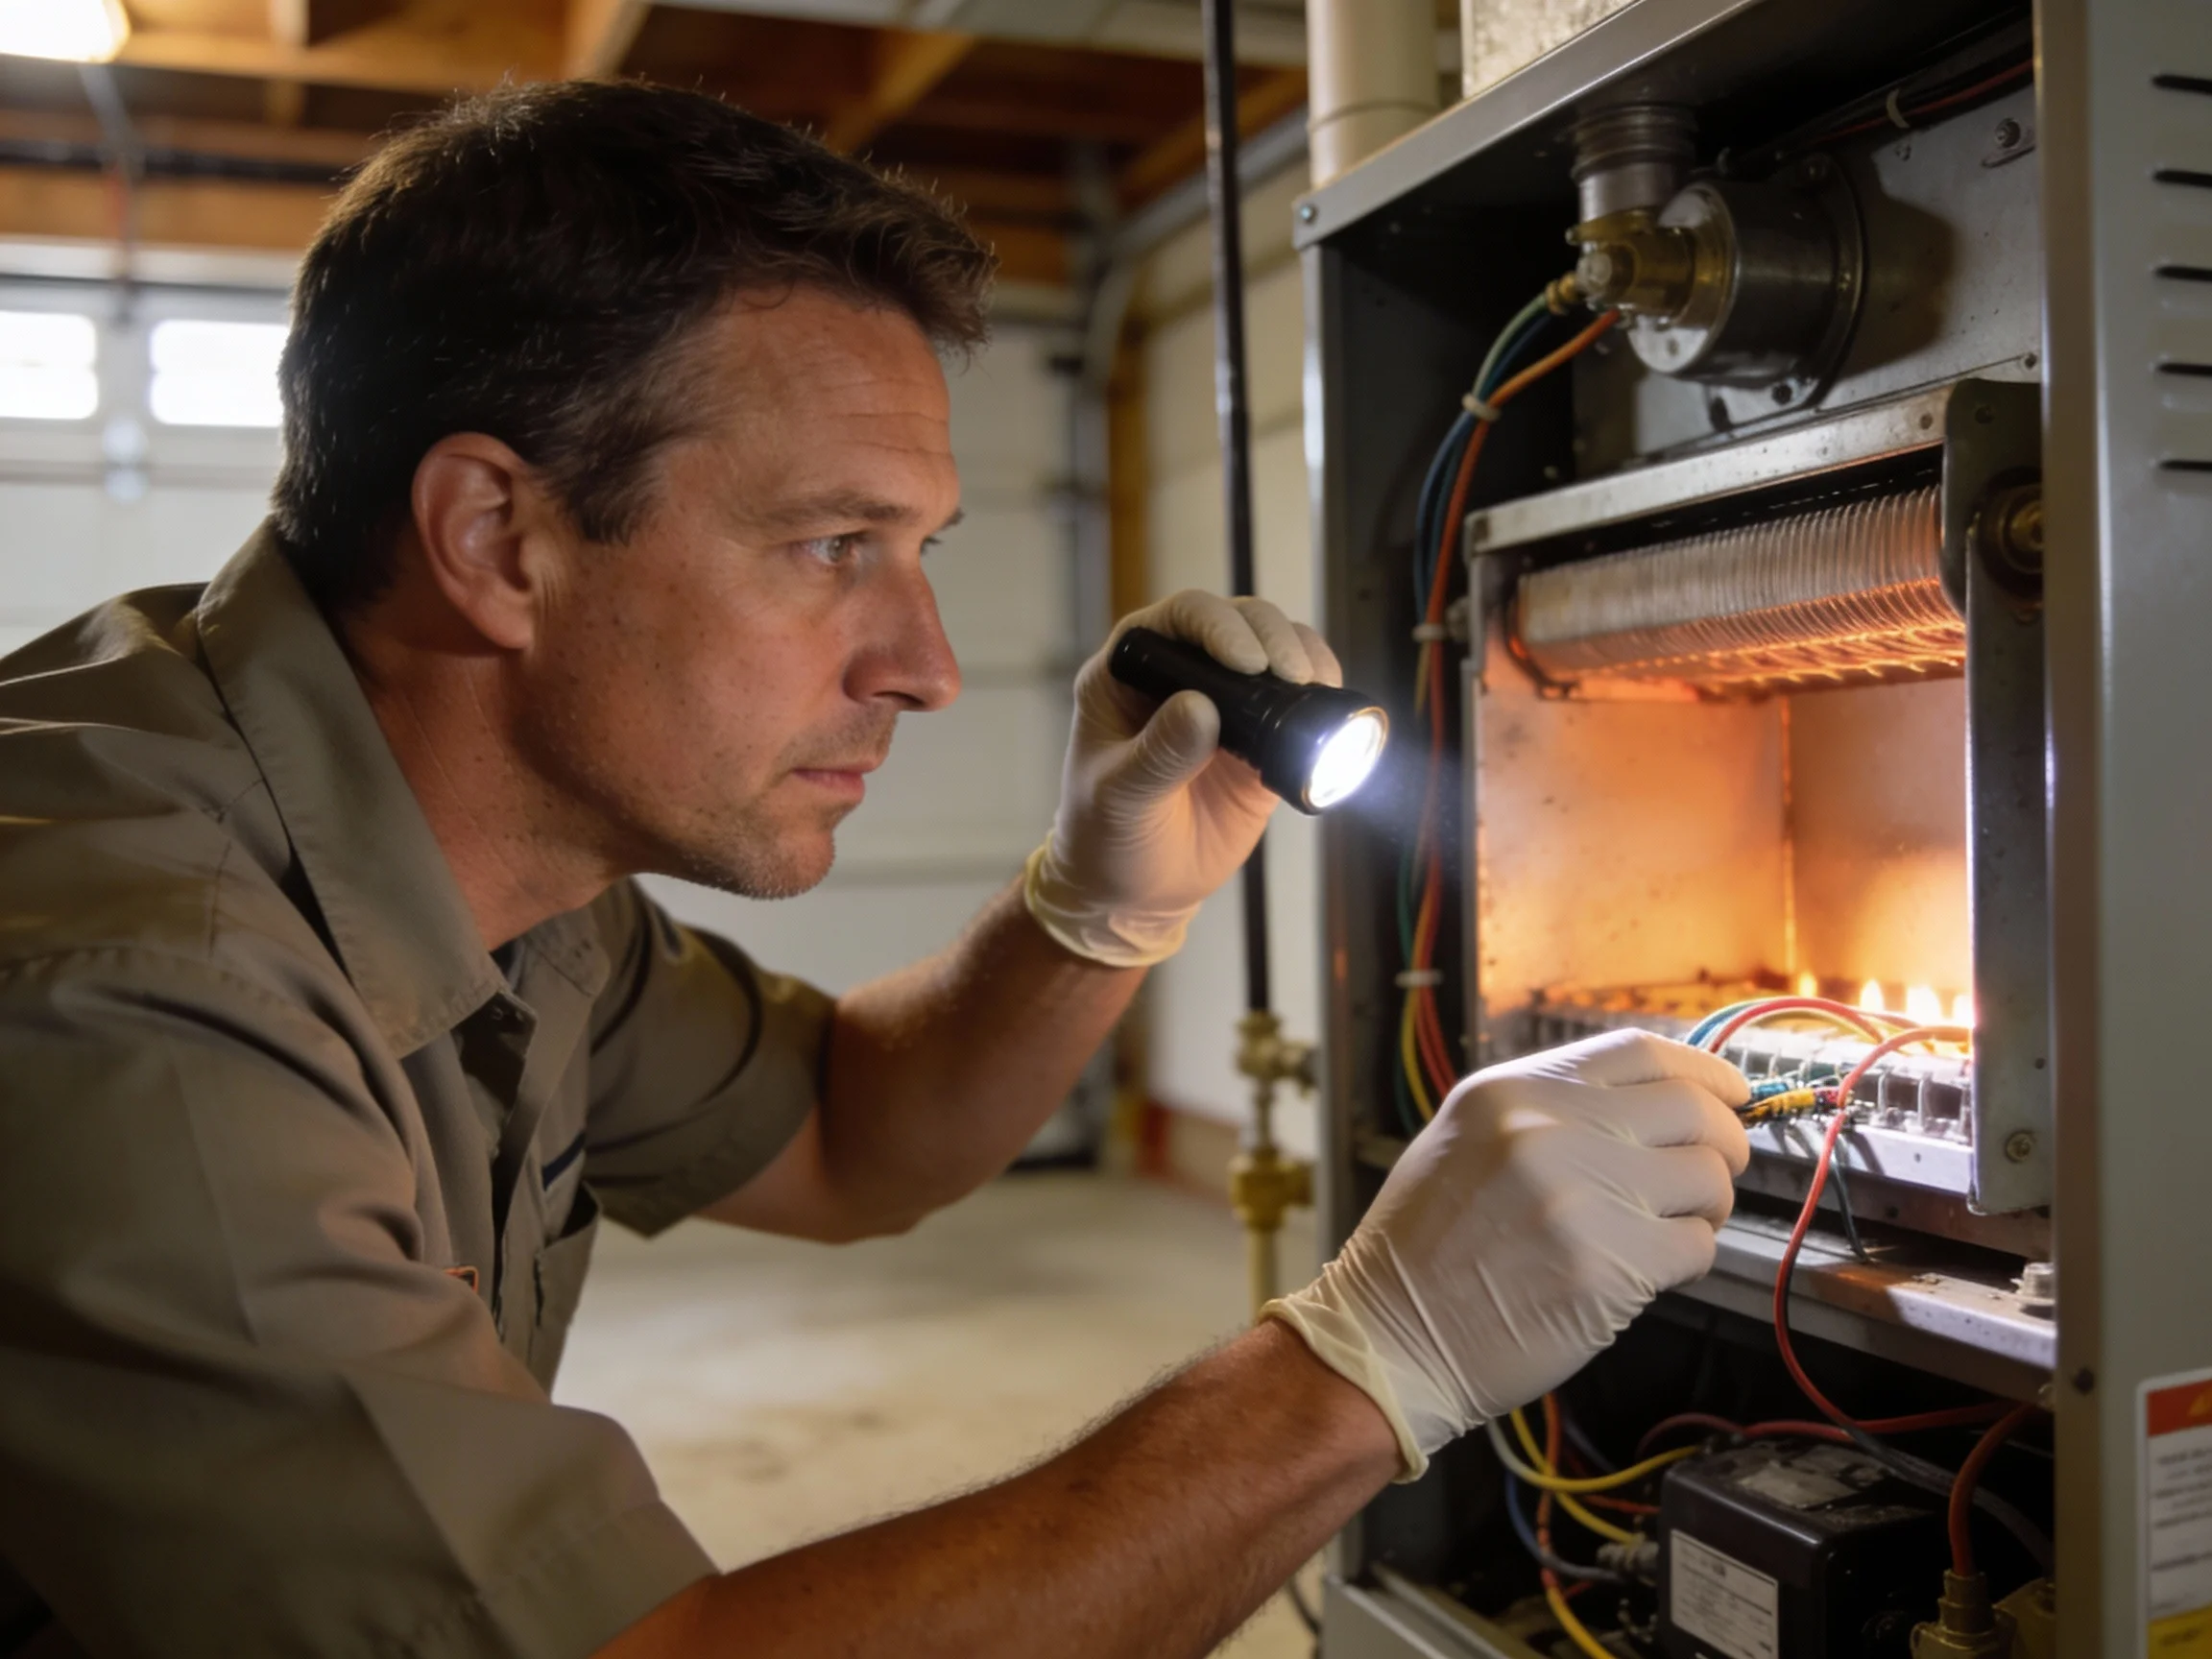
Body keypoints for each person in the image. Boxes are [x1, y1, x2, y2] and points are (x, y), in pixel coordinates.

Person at [0, 81, 1751, 1659]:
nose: (921, 660)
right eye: (832, 545)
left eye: (916, 551)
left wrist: (1096, 900)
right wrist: (1371, 1365)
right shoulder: (137, 986)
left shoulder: (493, 866)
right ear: (495, 540)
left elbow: (847, 1133)